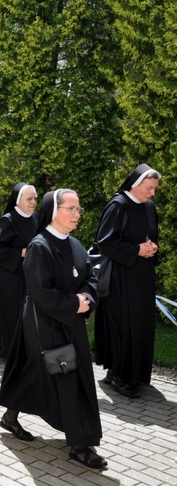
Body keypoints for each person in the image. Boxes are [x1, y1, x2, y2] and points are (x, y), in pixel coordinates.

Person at [0, 189, 106, 469]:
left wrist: (86, 299)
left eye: (78, 209)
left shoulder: (75, 244)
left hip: (70, 321)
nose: (77, 214)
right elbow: (41, 293)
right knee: (67, 378)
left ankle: (10, 416)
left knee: (37, 372)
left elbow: (91, 277)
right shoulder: (39, 246)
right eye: (71, 209)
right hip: (44, 324)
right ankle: (80, 445)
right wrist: (74, 303)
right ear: (54, 211)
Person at [94, 164, 160, 398]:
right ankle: (117, 375)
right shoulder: (118, 205)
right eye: (149, 188)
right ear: (136, 184)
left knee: (141, 323)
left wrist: (152, 247)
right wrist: (136, 250)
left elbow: (151, 237)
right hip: (119, 278)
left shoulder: (149, 207)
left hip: (142, 277)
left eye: (154, 189)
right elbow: (105, 242)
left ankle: (136, 375)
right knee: (123, 325)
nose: (152, 193)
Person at [0, 183, 39, 358]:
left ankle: (25, 348)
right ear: (18, 201)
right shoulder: (8, 220)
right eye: (29, 199)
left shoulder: (35, 218)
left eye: (35, 198)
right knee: (11, 313)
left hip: (26, 275)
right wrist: (21, 252)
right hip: (8, 277)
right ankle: (7, 349)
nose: (33, 202)